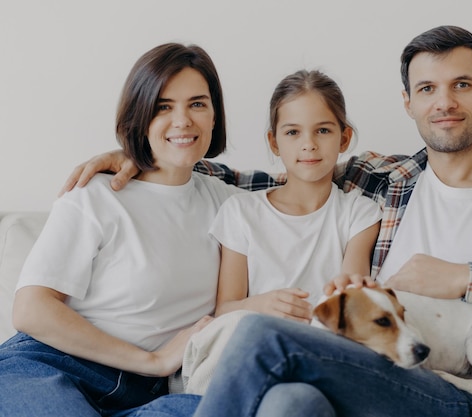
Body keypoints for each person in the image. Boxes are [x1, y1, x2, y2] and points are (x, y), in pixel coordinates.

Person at [60, 25, 472, 417]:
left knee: (261, 337)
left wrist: (464, 279)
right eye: (427, 88)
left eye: (462, 85)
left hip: (452, 399)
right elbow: (283, 181)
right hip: (349, 379)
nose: (444, 102)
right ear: (407, 102)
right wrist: (148, 155)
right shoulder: (382, 181)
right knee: (289, 405)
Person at [0, 43, 333, 417]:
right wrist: (152, 359)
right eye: (163, 107)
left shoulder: (233, 204)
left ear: (214, 116)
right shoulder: (96, 193)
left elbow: (306, 176)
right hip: (50, 368)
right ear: (139, 115)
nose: (182, 120)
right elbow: (31, 310)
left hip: (154, 395)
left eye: (197, 104)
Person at [212, 69, 381, 321]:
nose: (308, 144)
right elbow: (224, 310)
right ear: (274, 142)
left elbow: (349, 301)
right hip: (258, 338)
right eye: (293, 132)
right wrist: (259, 305)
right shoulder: (240, 211)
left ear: (344, 139)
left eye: (323, 130)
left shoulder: (359, 214)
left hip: (321, 342)